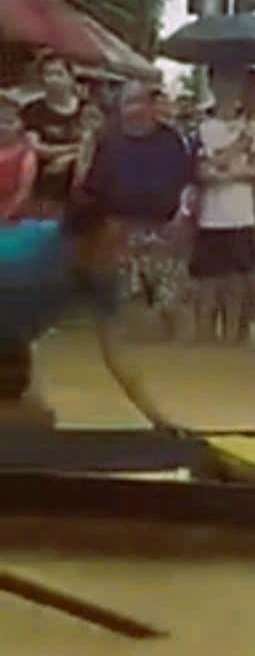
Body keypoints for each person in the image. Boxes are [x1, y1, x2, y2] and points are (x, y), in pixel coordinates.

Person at [0, 198, 178, 430]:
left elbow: (118, 356)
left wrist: (159, 420)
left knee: (38, 423)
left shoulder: (101, 273)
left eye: (120, 243)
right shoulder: (21, 263)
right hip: (11, 325)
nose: (119, 254)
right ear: (82, 242)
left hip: (14, 340)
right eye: (111, 244)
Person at [83, 80, 196, 336]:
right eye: (127, 102)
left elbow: (189, 183)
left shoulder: (172, 140)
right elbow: (94, 187)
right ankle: (130, 344)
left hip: (165, 228)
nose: (133, 109)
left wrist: (182, 216)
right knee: (124, 295)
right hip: (120, 228)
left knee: (168, 299)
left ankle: (174, 351)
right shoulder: (107, 141)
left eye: (138, 101)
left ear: (149, 105)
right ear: (119, 107)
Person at [190, 66, 255, 342]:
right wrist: (237, 150)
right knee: (207, 284)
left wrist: (223, 170)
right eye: (222, 80)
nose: (228, 88)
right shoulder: (202, 127)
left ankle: (232, 341)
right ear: (212, 84)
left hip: (242, 214)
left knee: (237, 284)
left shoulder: (254, 128)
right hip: (210, 216)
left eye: (233, 81)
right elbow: (202, 172)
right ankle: (204, 341)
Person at [20, 54, 84, 216]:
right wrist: (75, 149)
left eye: (59, 74)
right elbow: (35, 147)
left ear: (71, 78)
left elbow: (96, 145)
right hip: (44, 190)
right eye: (48, 74)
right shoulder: (32, 111)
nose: (54, 80)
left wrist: (67, 158)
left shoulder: (89, 110)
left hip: (82, 192)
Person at [0, 95, 37, 222]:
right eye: (1, 121)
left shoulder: (26, 154)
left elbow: (23, 193)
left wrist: (4, 216)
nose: (3, 126)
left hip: (11, 218)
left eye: (9, 122)